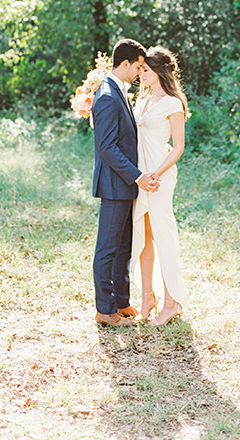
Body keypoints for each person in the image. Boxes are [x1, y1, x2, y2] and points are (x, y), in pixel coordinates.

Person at [91, 38, 159, 327]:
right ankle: (105, 309)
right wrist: (138, 176)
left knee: (124, 246)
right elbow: (107, 147)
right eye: (138, 67)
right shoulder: (106, 95)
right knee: (107, 247)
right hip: (114, 184)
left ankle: (121, 300)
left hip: (125, 184)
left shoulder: (119, 92)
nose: (139, 73)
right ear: (126, 63)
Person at [132, 46, 188, 326]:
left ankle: (172, 301)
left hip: (160, 176)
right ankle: (147, 297)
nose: (141, 73)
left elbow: (178, 147)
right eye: (140, 69)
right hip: (141, 175)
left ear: (159, 71)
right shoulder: (142, 101)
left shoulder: (172, 103)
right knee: (143, 235)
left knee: (163, 235)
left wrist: (156, 173)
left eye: (145, 69)